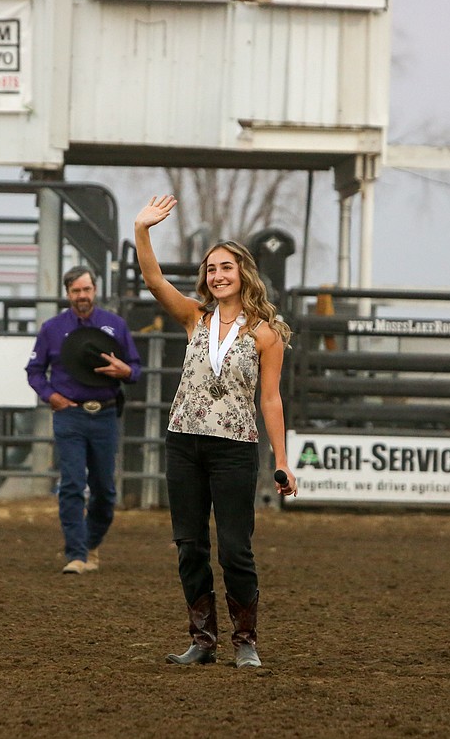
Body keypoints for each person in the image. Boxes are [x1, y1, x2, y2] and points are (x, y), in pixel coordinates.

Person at [134, 194, 297, 670]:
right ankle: (202, 640)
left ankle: (245, 640)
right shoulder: (195, 318)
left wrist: (282, 460)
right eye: (210, 270)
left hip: (234, 449)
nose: (216, 276)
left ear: (243, 272)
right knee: (189, 545)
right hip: (184, 442)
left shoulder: (266, 332)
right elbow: (152, 279)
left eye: (224, 267)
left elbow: (270, 398)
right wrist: (143, 230)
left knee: (235, 550)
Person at [26, 266, 142, 575]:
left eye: (87, 290)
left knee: (104, 491)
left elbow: (136, 368)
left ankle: (89, 543)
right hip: (69, 414)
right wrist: (52, 396)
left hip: (104, 413)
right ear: (68, 294)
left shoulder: (114, 325)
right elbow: (35, 371)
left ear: (95, 290)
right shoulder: (52, 329)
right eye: (76, 291)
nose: (82, 296)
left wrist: (125, 372)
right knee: (72, 484)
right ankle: (75, 554)